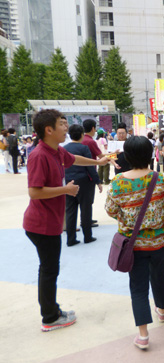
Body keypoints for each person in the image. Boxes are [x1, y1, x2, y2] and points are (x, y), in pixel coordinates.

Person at [23, 109, 111, 332]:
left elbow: (74, 159)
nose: (66, 128)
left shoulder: (56, 151)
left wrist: (97, 162)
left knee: (50, 269)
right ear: (48, 129)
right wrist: (66, 189)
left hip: (50, 222)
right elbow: (34, 192)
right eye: (62, 124)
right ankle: (50, 317)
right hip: (41, 224)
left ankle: (52, 309)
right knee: (49, 270)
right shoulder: (39, 155)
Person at [105, 136, 164, 350]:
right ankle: (162, 310)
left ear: (126, 156)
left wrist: (127, 216)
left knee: (138, 287)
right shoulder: (162, 179)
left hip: (133, 245)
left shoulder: (118, 183)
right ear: (149, 155)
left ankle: (143, 335)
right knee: (160, 275)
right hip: (161, 241)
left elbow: (110, 210)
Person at [64, 125, 102, 246]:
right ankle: (87, 236)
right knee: (86, 209)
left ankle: (71, 239)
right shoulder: (84, 148)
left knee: (70, 210)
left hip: (69, 181)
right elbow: (90, 166)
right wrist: (97, 181)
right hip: (84, 181)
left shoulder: (64, 148)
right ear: (81, 135)